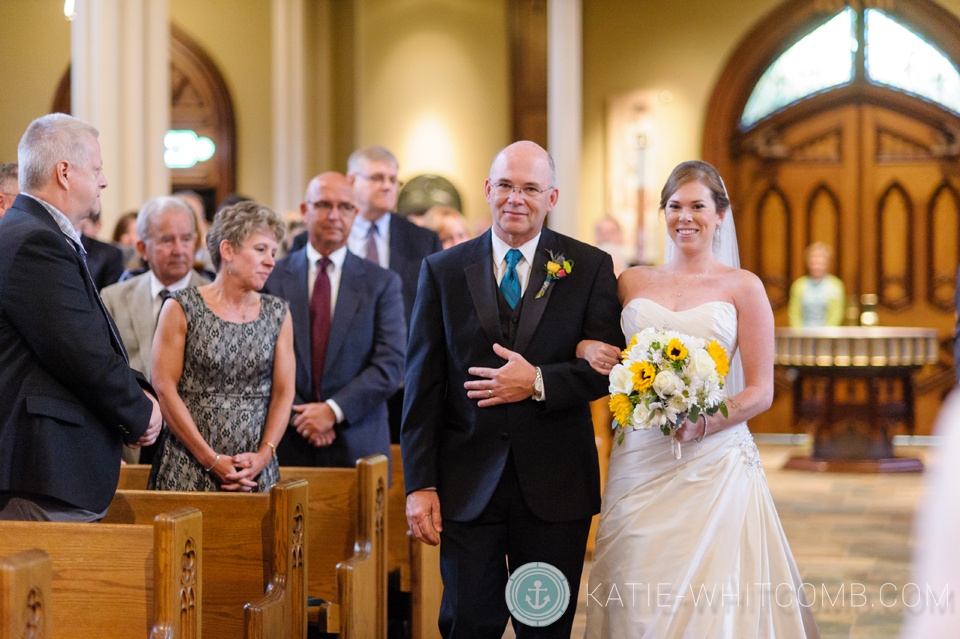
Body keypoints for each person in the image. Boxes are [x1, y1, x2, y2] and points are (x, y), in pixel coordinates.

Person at [580, 161, 819, 637]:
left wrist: (703, 422)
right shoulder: (630, 281)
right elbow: (595, 343)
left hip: (714, 461)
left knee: (712, 595)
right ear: (663, 213)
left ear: (720, 215)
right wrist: (586, 346)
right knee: (634, 575)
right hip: (640, 455)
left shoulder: (743, 287)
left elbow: (760, 391)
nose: (684, 217)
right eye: (675, 206)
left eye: (697, 206)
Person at [401, 141, 623, 637]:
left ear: (552, 196)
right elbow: (423, 385)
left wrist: (539, 381)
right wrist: (420, 484)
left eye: (530, 188)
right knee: (467, 624)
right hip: (466, 485)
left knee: (542, 626)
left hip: (553, 488)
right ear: (487, 190)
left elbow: (608, 370)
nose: (515, 199)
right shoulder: (442, 272)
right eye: (505, 185)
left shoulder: (587, 268)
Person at [0, 113, 161, 521]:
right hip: (42, 468)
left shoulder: (30, 232)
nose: (104, 180)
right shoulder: (35, 239)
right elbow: (80, 351)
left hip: (46, 469)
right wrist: (140, 412)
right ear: (65, 173)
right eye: (98, 168)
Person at [148, 201, 295, 492]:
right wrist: (211, 459)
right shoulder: (182, 305)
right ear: (228, 250)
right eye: (261, 249)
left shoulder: (278, 312)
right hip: (188, 464)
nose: (271, 261)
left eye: (273, 252)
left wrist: (265, 455)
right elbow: (164, 388)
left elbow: (283, 392)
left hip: (253, 470)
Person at [263, 173, 405, 470]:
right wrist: (300, 416)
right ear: (304, 210)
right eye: (324, 204)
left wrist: (331, 411)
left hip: (358, 442)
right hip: (284, 440)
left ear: (355, 213)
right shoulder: (272, 278)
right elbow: (259, 360)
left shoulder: (382, 283)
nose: (334, 215)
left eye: (344, 207)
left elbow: (391, 364)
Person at [101, 196, 211, 463]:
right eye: (166, 240)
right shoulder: (113, 298)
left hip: (194, 445)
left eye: (186, 239)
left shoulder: (213, 298)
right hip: (130, 442)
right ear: (142, 246)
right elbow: (102, 371)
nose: (179, 249)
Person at [788, 242, 845, 327]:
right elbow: (794, 314)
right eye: (814, 262)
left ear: (827, 263)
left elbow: (836, 314)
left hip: (827, 335)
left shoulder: (836, 285)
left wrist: (827, 334)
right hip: (803, 335)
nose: (817, 266)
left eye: (820, 263)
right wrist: (798, 334)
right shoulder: (798, 285)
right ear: (808, 263)